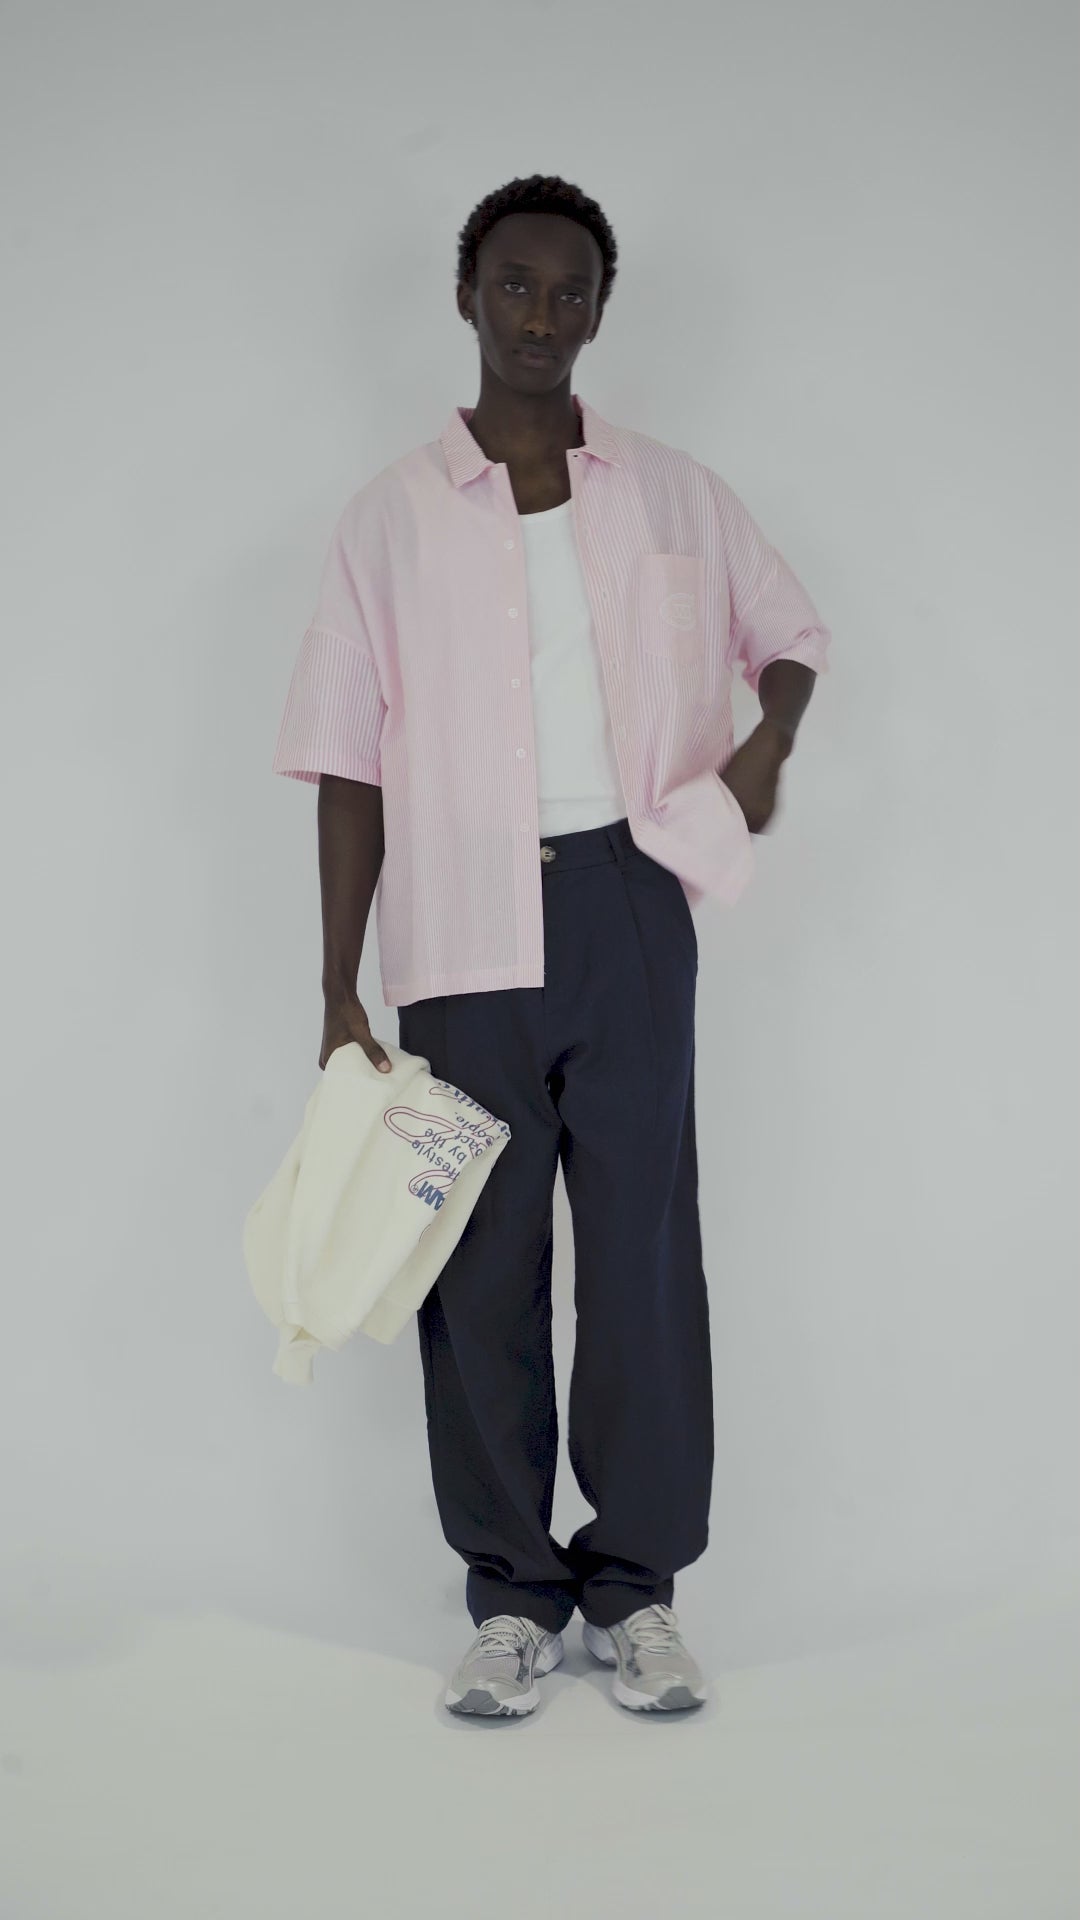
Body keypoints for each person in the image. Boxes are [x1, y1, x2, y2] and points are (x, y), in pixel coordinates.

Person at [272, 173, 831, 1718]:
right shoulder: (388, 519)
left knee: (641, 1256)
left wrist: (763, 747)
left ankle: (636, 1589)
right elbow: (348, 760)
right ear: (467, 297)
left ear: (599, 311)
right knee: (480, 1267)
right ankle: (514, 1597)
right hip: (459, 929)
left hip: (630, 907)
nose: (540, 313)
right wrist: (336, 981)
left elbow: (792, 636)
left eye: (569, 290)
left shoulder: (674, 495)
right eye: (513, 284)